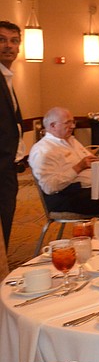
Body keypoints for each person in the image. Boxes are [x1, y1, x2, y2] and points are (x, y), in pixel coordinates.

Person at [28, 107, 99, 216]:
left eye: (73, 122)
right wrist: (78, 167)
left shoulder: (71, 140)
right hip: (67, 197)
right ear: (53, 125)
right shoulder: (43, 150)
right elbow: (49, 187)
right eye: (67, 123)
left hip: (92, 188)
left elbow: (88, 160)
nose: (73, 126)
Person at [0, 21, 24, 247]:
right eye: (1, 40)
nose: (8, 46)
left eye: (14, 41)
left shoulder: (6, 77)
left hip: (8, 166)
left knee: (5, 220)